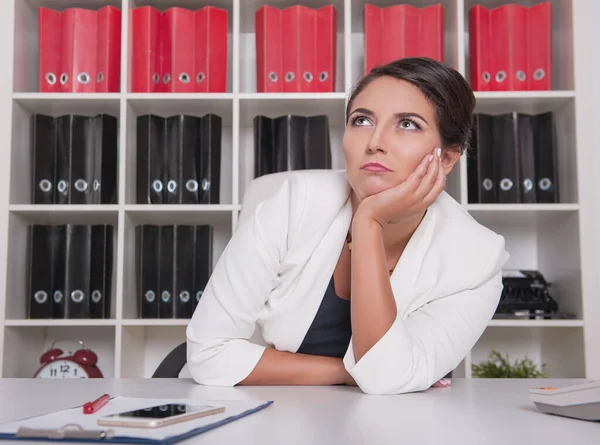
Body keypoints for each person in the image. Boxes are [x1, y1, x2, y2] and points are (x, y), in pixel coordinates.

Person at [186, 57, 509, 395]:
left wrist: (369, 223)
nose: (375, 142)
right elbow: (208, 353)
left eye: (408, 124)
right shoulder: (296, 202)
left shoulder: (477, 258)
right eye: (362, 120)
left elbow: (384, 379)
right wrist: (345, 371)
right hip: (280, 417)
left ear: (446, 158)